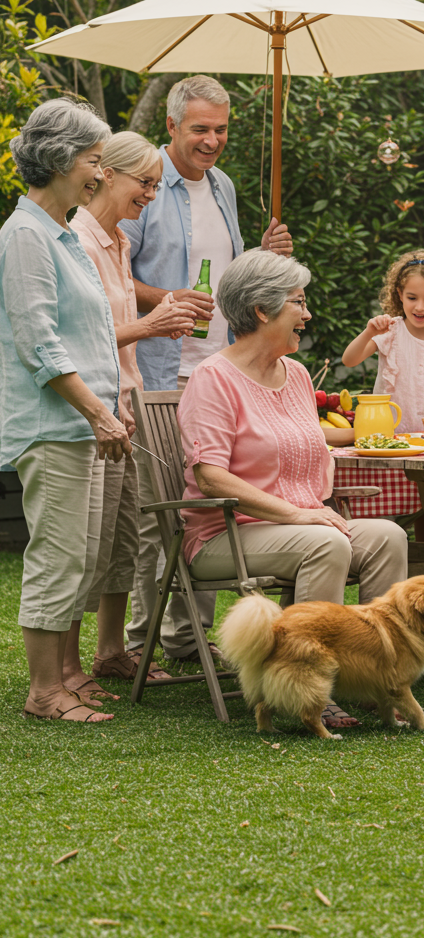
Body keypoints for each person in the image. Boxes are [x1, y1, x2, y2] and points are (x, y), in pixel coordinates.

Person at [178, 249, 409, 730]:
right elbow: (210, 476)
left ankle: (377, 681)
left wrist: (310, 507)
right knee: (324, 542)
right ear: (262, 310)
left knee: (388, 535)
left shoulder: (298, 374)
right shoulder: (213, 379)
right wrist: (296, 513)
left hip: (298, 523)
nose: (307, 315)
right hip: (226, 535)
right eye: (298, 303)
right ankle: (309, 685)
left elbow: (312, 444)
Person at [123, 74, 293, 666]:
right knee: (163, 509)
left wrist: (267, 257)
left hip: (221, 370)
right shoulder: (145, 189)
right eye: (200, 129)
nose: (212, 141)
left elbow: (233, 278)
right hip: (161, 371)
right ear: (170, 127)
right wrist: (165, 301)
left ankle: (189, 637)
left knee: (209, 505)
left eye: (220, 129)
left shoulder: (221, 186)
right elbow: (116, 276)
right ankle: (146, 639)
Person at [1, 97, 130, 723]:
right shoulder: (25, 235)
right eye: (92, 160)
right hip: (55, 426)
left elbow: (91, 335)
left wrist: (110, 408)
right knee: (57, 555)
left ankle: (68, 676)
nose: (101, 174)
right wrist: (96, 412)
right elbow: (39, 343)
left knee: (83, 555)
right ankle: (45, 692)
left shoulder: (62, 233)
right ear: (56, 161)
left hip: (86, 422)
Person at [70, 131, 198, 687]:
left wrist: (164, 313)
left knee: (124, 534)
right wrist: (151, 324)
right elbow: (80, 338)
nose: (151, 194)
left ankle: (111, 652)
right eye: (145, 182)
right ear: (108, 175)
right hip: (88, 410)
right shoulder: (75, 241)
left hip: (126, 401)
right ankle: (69, 667)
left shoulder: (119, 241)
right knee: (88, 540)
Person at [341, 249, 424, 433]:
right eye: (412, 298)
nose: (419, 307)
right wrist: (369, 332)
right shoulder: (391, 331)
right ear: (400, 294)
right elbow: (349, 360)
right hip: (388, 436)